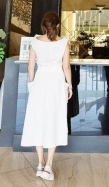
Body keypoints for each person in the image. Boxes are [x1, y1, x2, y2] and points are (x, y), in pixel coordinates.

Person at [21, 11, 72, 181]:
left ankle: (40, 163)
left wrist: (32, 84)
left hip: (40, 83)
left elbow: (30, 67)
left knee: (39, 120)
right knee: (54, 120)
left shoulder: (35, 41)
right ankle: (48, 165)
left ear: (44, 25)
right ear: (57, 25)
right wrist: (70, 85)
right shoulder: (64, 43)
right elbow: (66, 67)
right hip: (56, 83)